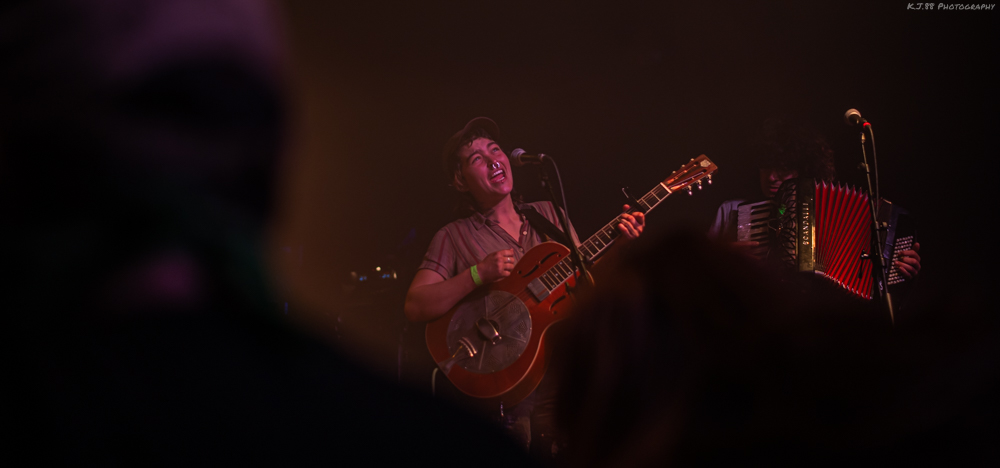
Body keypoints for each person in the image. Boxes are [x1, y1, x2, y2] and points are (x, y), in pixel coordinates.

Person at [404, 117, 645, 460]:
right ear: (460, 181)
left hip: (566, 378)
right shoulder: (453, 236)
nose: (493, 160)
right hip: (507, 395)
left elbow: (589, 286)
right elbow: (415, 305)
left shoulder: (548, 213)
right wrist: (478, 273)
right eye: (476, 159)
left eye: (495, 150)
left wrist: (621, 245)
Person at [708, 119, 921, 280]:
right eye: (766, 167)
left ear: (804, 170)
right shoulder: (731, 211)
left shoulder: (836, 211)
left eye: (783, 168)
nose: (772, 177)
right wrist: (720, 260)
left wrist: (898, 265)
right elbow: (695, 276)